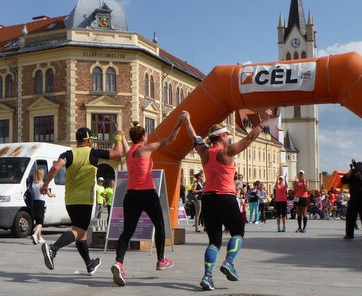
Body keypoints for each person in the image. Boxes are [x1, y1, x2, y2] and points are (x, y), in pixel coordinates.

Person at [183, 109, 273, 291]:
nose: (229, 137)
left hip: (208, 199)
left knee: (214, 241)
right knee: (238, 232)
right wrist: (263, 121)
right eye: (227, 134)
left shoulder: (204, 151)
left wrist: (186, 120)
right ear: (222, 136)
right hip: (226, 198)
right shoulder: (227, 152)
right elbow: (249, 139)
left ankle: (207, 276)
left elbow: (194, 136)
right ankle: (229, 262)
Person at [111, 115, 184, 286]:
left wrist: (120, 135)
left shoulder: (130, 153)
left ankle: (119, 263)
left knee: (127, 232)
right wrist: (179, 122)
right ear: (143, 137)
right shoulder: (146, 149)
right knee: (159, 225)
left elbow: (127, 146)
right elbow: (170, 140)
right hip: (148, 193)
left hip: (131, 195)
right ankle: (161, 260)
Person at [40, 127, 124, 275]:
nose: (92, 142)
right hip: (85, 200)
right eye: (91, 140)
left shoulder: (68, 154)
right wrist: (118, 137)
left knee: (82, 234)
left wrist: (45, 184)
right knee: (78, 230)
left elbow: (55, 167)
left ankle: (89, 264)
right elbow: (118, 153)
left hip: (70, 200)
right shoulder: (93, 153)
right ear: (88, 140)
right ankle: (53, 249)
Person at [341, 161, 362, 241]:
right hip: (354, 199)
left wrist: (360, 176)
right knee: (350, 217)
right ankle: (349, 234)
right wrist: (349, 174)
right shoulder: (352, 174)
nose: (358, 170)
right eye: (357, 168)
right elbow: (343, 181)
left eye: (360, 168)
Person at [31, 168, 56, 245]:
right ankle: (35, 235)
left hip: (34, 203)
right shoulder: (42, 184)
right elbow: (49, 194)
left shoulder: (32, 184)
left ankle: (39, 237)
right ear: (41, 175)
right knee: (40, 222)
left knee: (38, 221)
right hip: (40, 203)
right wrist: (53, 195)